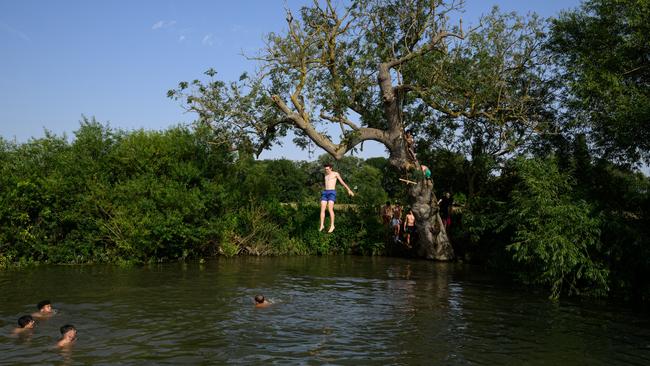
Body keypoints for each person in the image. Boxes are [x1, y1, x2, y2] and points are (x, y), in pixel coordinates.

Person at [319, 163, 354, 233]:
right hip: (325, 192)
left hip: (332, 192)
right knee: (322, 208)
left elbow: (342, 182)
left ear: (331, 168)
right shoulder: (325, 175)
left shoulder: (335, 174)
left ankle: (332, 225)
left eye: (327, 169)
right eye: (325, 169)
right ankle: (322, 225)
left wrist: (349, 190)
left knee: (329, 208)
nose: (326, 170)